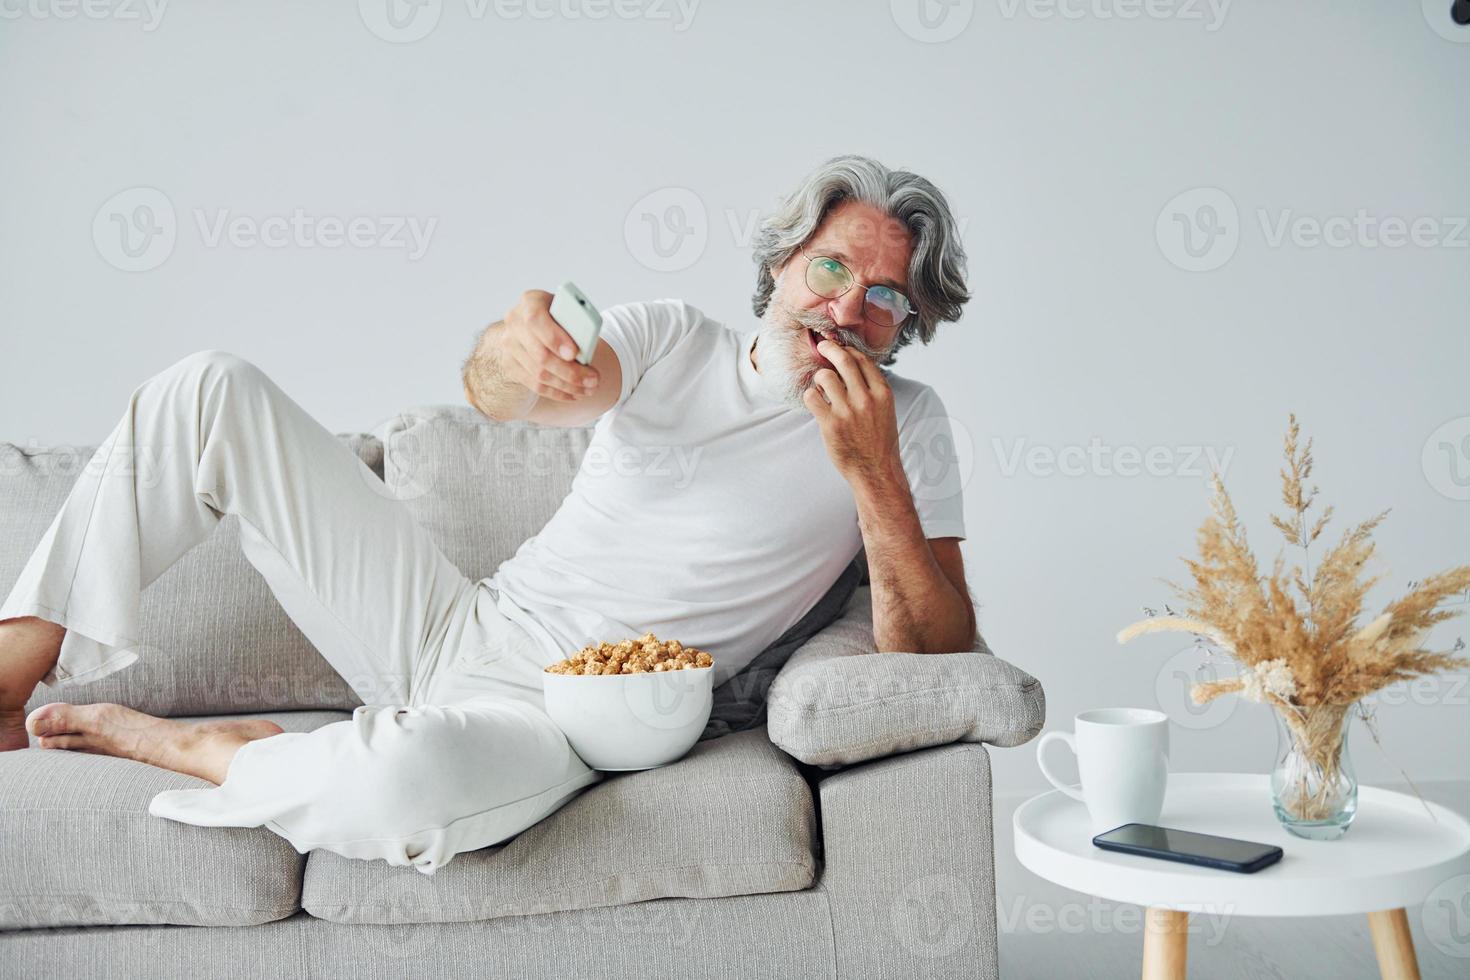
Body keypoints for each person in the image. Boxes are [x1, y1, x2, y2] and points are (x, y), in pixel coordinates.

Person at [0, 153, 976, 874]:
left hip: (565, 722)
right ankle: (13, 672)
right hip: (459, 623)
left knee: (399, 787)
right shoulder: (680, 342)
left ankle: (207, 748)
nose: (849, 311)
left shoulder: (910, 427)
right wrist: (517, 350)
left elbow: (936, 645)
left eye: (886, 297)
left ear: (909, 329)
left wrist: (873, 475)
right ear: (782, 263)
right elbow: (505, 391)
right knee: (209, 387)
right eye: (834, 270)